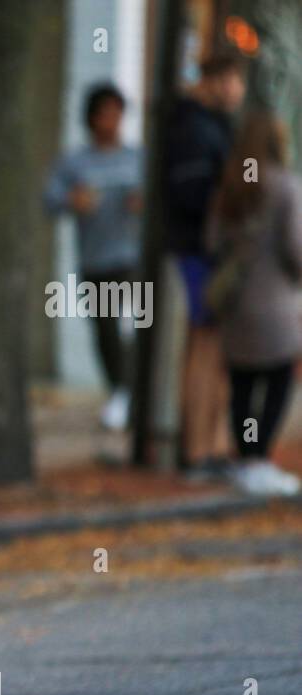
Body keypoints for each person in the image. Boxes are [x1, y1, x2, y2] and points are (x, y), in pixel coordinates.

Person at [205, 113, 302, 497]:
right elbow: (296, 248)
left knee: (242, 385)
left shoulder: (230, 188)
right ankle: (260, 458)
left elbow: (212, 242)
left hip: (236, 305)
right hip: (277, 304)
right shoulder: (285, 186)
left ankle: (246, 458)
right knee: (278, 382)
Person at [43, 82, 144, 431]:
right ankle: (121, 391)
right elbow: (50, 200)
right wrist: (74, 200)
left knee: (136, 324)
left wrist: (141, 204)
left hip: (132, 256)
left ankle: (133, 393)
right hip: (95, 259)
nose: (112, 121)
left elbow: (155, 199)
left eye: (118, 113)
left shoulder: (136, 158)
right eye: (105, 113)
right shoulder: (74, 161)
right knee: (105, 330)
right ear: (91, 119)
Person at [166, 53, 247, 480]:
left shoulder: (211, 126)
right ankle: (198, 449)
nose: (238, 89)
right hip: (200, 251)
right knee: (206, 343)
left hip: (206, 250)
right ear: (214, 80)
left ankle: (208, 445)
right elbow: (193, 194)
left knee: (211, 345)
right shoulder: (196, 129)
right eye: (233, 79)